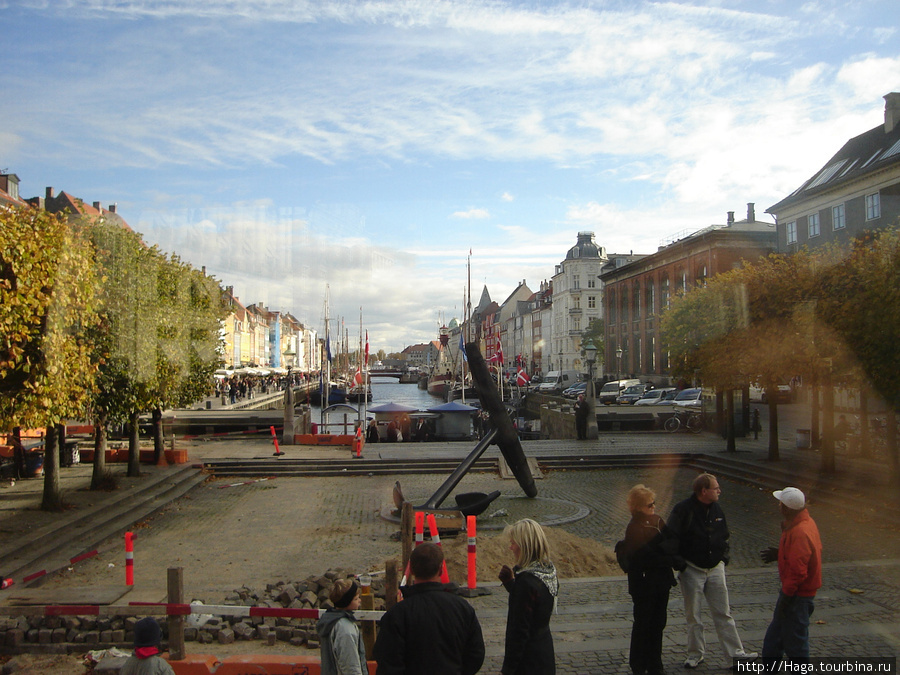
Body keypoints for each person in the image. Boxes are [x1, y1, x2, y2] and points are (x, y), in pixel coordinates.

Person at [667, 473, 757, 668]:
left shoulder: (717, 509)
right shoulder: (683, 510)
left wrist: (723, 558)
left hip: (715, 567)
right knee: (694, 615)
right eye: (716, 488)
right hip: (692, 568)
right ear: (703, 491)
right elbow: (671, 537)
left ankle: (736, 655)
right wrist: (680, 564)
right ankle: (695, 653)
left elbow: (724, 535)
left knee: (723, 613)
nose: (719, 491)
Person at [373, 542, 484, 675]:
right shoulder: (462, 608)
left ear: (412, 571)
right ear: (441, 570)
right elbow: (475, 654)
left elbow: (387, 660)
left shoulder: (397, 614)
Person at [617, 485, 683, 675]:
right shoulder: (634, 528)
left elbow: (671, 542)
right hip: (644, 584)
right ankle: (638, 664)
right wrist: (667, 556)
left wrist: (666, 553)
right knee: (643, 624)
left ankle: (655, 663)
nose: (653, 507)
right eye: (649, 505)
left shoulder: (658, 520)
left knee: (659, 623)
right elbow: (644, 555)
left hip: (661, 581)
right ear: (637, 507)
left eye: (654, 503)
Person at [759, 487, 822, 664]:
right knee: (775, 639)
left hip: (796, 596)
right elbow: (801, 556)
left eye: (780, 503)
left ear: (786, 508)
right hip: (796, 595)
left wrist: (786, 597)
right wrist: (781, 554)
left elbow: (798, 571)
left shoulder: (799, 531)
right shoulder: (805, 524)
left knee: (795, 645)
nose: (778, 505)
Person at [498, 518, 559, 675]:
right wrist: (512, 584)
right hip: (544, 650)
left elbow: (519, 631)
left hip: (529, 660)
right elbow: (535, 603)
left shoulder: (526, 582)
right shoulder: (548, 569)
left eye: (513, 543)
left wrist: (508, 670)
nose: (510, 547)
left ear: (524, 546)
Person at [316, 578, 367, 675]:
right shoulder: (346, 629)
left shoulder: (330, 621)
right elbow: (350, 666)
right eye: (356, 599)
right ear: (346, 602)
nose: (360, 600)